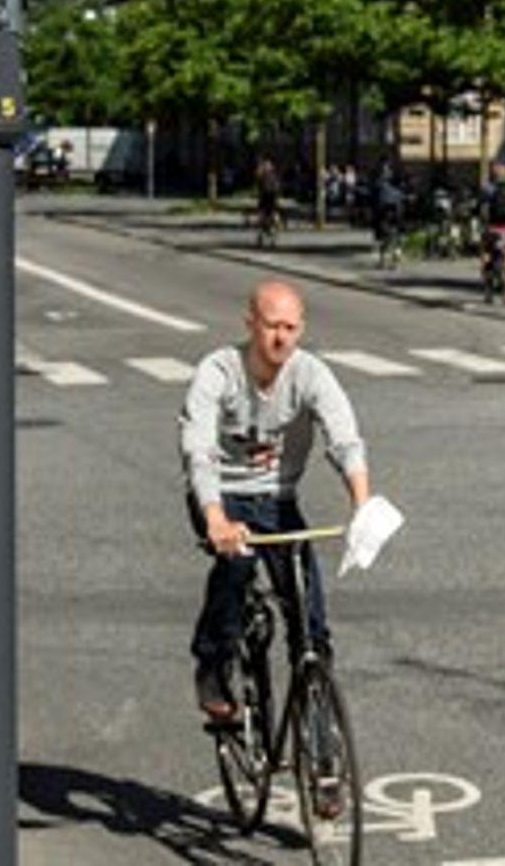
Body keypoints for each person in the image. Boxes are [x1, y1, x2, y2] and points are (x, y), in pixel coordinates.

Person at [180, 281, 372, 742]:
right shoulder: (219, 371)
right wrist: (216, 519)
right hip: (221, 498)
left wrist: (362, 505)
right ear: (251, 324)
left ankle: (323, 754)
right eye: (271, 326)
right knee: (238, 562)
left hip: (278, 501)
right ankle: (213, 664)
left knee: (311, 627)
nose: (281, 338)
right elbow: (199, 453)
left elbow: (344, 439)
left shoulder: (310, 374)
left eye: (290, 327)